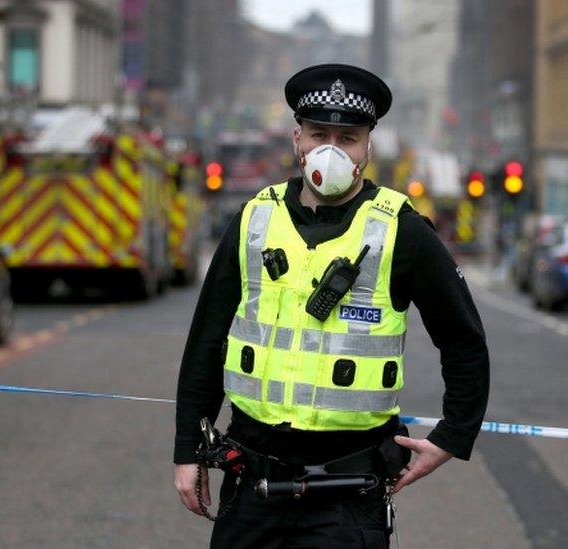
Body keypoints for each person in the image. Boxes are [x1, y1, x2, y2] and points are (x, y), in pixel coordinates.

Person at [173, 63, 490, 548]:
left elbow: (463, 340)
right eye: (320, 134)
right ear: (297, 139)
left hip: (349, 494)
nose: (332, 150)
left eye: (348, 138)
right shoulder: (254, 220)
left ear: (368, 146)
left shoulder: (402, 232)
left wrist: (452, 437)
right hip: (251, 485)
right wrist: (187, 451)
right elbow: (206, 341)